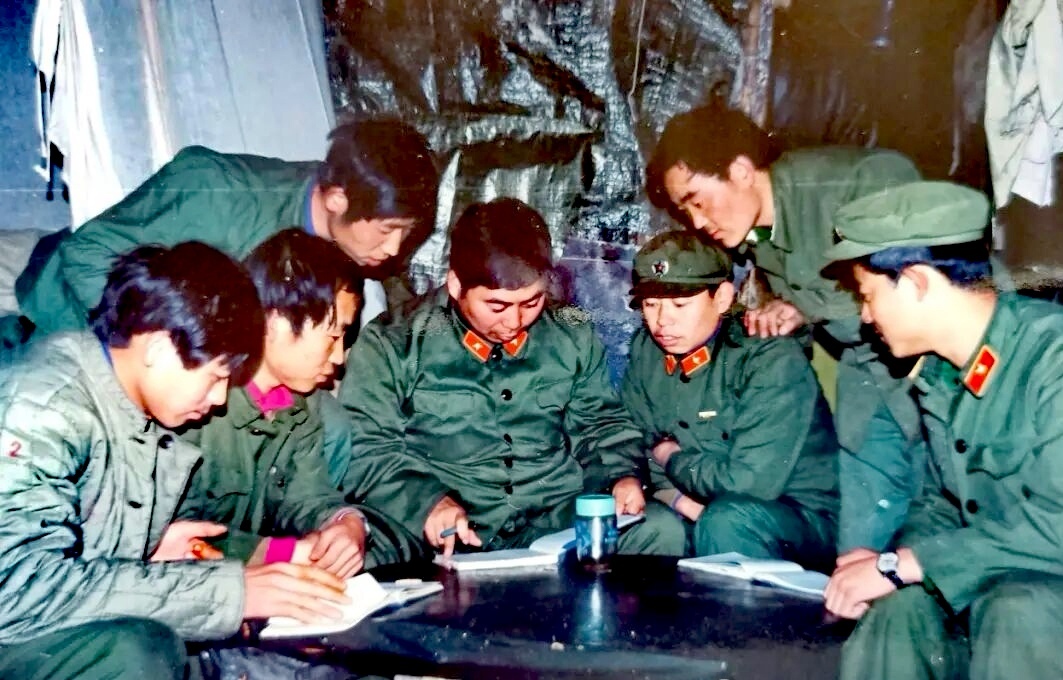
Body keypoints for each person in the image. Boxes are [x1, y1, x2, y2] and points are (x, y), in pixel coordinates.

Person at [0, 242, 350, 680]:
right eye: (216, 376)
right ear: (158, 348)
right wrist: (230, 593)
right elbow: (16, 590)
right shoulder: (43, 407)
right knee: (140, 651)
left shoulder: (126, 401)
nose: (219, 398)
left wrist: (147, 552)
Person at [645, 102, 924, 553]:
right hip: (867, 366)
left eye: (697, 200)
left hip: (939, 364)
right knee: (864, 537)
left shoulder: (859, 183)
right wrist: (782, 319)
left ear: (740, 170)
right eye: (685, 210)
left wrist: (803, 308)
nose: (696, 221)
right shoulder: (755, 233)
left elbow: (914, 285)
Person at [339, 198, 686, 557]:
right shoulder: (394, 341)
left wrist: (622, 477)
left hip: (552, 520)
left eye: (531, 302)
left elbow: (600, 424)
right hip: (443, 527)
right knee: (354, 554)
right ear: (456, 285)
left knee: (659, 530)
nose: (515, 322)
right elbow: (368, 446)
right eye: (497, 306)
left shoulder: (570, 331)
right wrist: (428, 502)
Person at [821, 181, 1063, 680]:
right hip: (1000, 581)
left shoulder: (1051, 360)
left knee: (1018, 611)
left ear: (916, 282)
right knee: (897, 611)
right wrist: (887, 564)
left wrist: (906, 565)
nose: (864, 316)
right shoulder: (943, 375)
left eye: (867, 296)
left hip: (1035, 598)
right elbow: (943, 503)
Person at [15, 118, 439, 338]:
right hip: (66, 312)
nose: (395, 249)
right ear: (336, 199)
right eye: (387, 229)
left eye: (407, 232)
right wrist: (146, 349)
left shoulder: (340, 237)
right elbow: (86, 254)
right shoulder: (222, 196)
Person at [177, 229, 416, 575]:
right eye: (332, 337)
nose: (338, 358)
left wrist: (347, 523)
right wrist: (281, 553)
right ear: (275, 323)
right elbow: (174, 535)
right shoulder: (197, 405)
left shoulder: (303, 406)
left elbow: (308, 497)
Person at [620, 230, 837, 568]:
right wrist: (682, 502)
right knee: (646, 526)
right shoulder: (647, 350)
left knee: (726, 523)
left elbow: (748, 483)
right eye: (650, 304)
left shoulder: (767, 357)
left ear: (721, 298)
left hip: (795, 518)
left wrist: (672, 458)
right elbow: (635, 440)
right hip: (697, 504)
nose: (662, 321)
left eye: (680, 304)